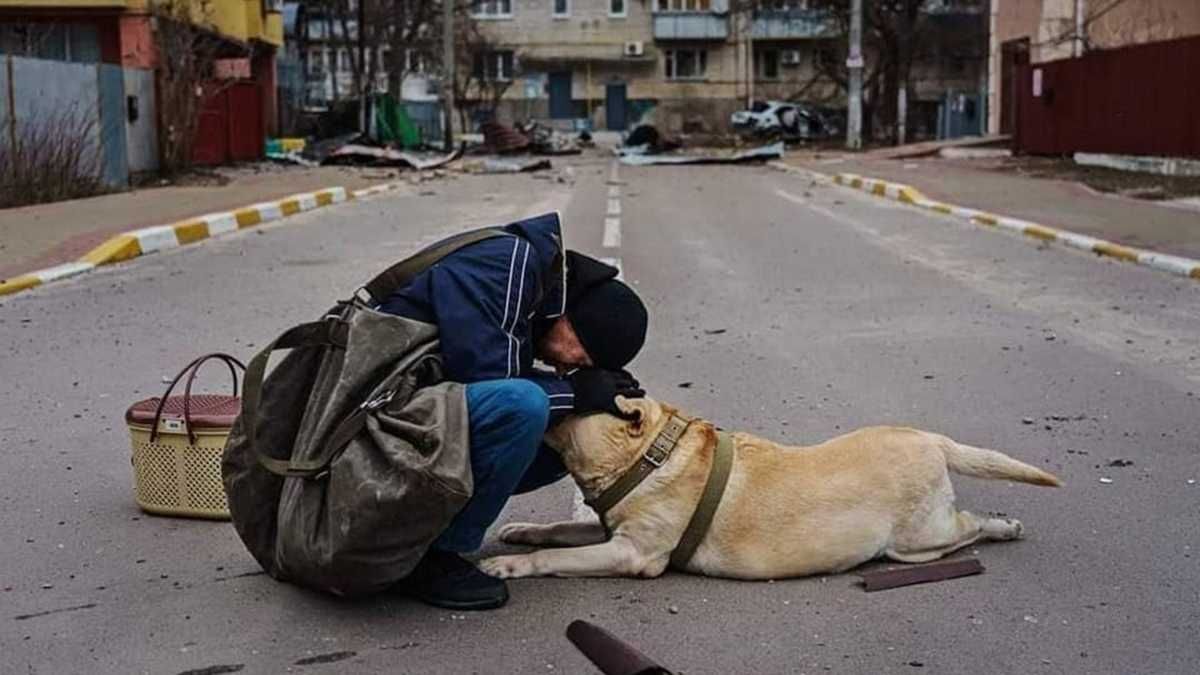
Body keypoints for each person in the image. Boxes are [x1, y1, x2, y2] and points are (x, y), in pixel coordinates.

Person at [377, 213, 649, 610]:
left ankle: (422, 529)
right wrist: (575, 392)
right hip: (370, 419)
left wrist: (583, 397)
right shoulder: (509, 265)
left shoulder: (530, 285)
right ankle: (435, 560)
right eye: (580, 358)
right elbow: (491, 384)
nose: (565, 368)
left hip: (406, 411)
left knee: (564, 426)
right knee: (527, 406)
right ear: (573, 321)